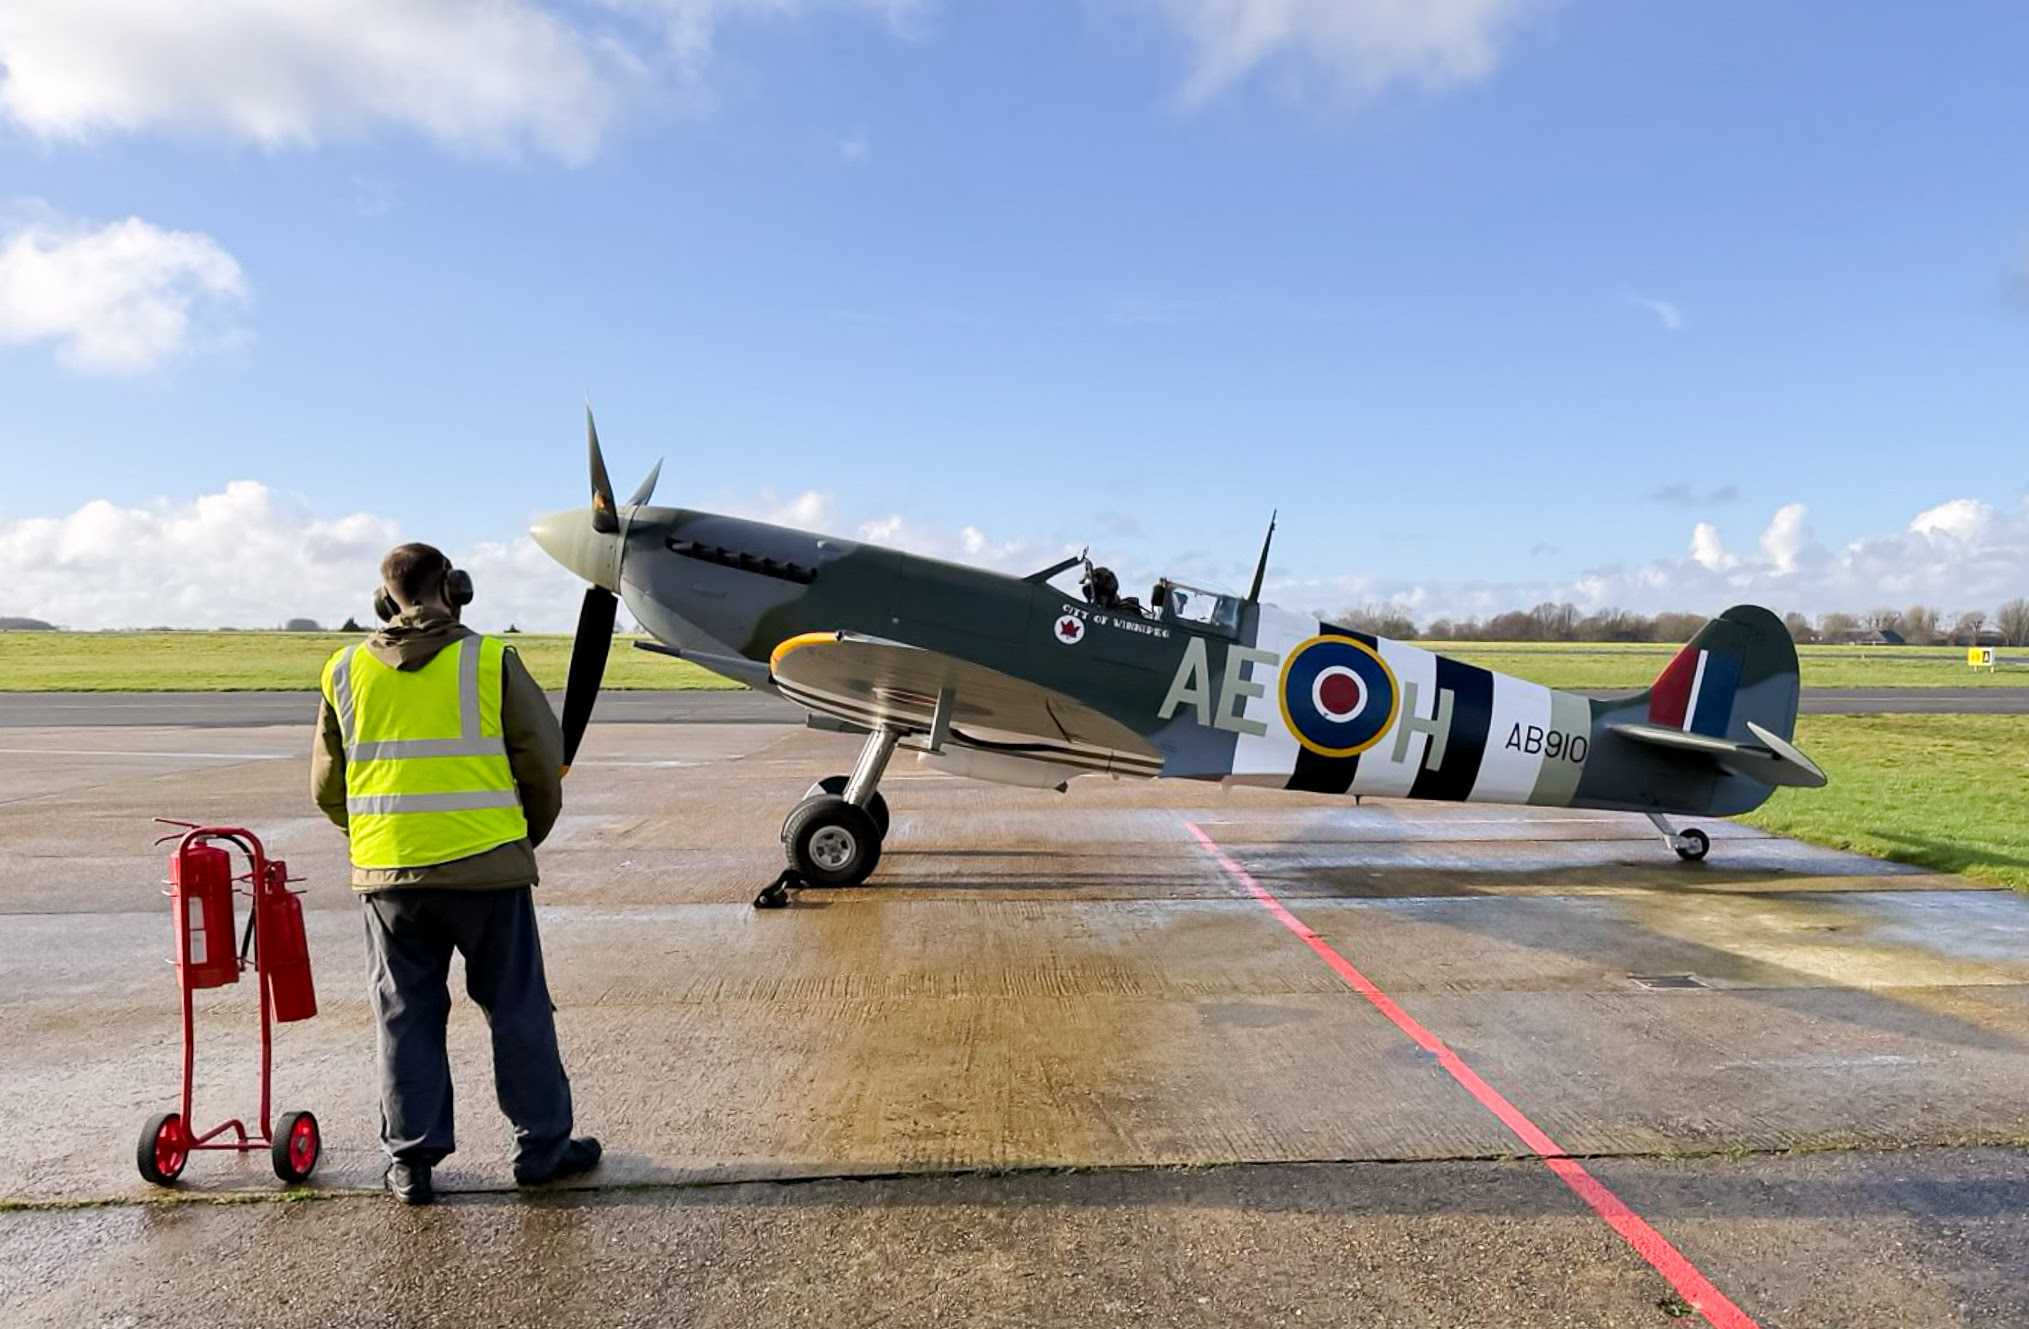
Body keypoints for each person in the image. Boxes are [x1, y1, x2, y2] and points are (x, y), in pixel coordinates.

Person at [313, 542, 599, 1205]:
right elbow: (541, 763)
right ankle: (542, 1148)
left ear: (385, 599)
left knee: (405, 1015)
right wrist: (521, 840)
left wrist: (377, 837)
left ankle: (412, 1161)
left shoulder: (344, 669)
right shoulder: (490, 659)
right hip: (489, 870)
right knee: (517, 1007)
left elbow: (328, 786)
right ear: (455, 587)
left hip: (389, 877)